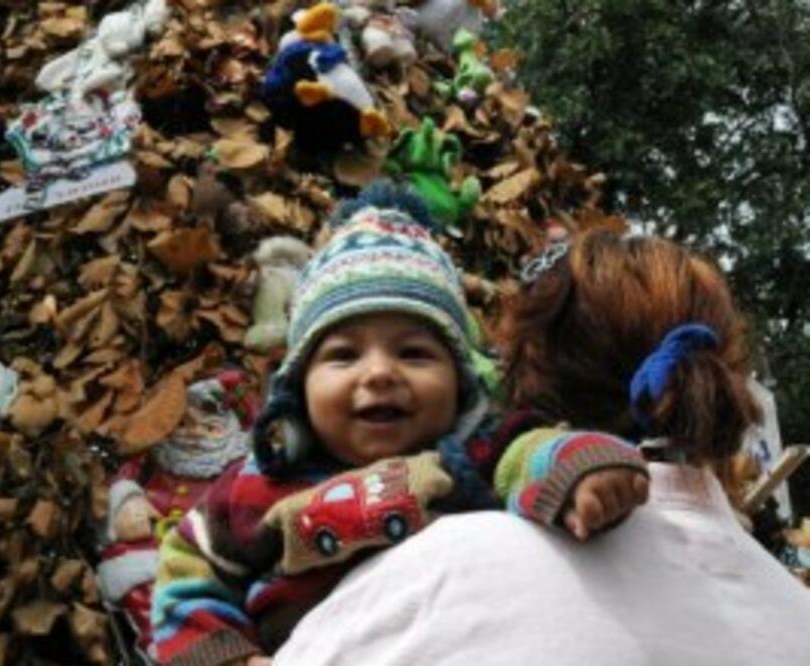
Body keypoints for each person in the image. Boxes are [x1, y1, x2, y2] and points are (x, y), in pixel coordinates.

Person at [150, 185, 651, 666]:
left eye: (414, 353)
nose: (381, 372)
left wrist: (583, 473)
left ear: (461, 382)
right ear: (297, 388)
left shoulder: (479, 451)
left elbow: (535, 452)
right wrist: (227, 656)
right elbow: (189, 568)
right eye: (343, 356)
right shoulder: (255, 485)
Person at [274, 229, 810, 666]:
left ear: (521, 382)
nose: (380, 374)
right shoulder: (797, 613)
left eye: (415, 353)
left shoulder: (436, 573)